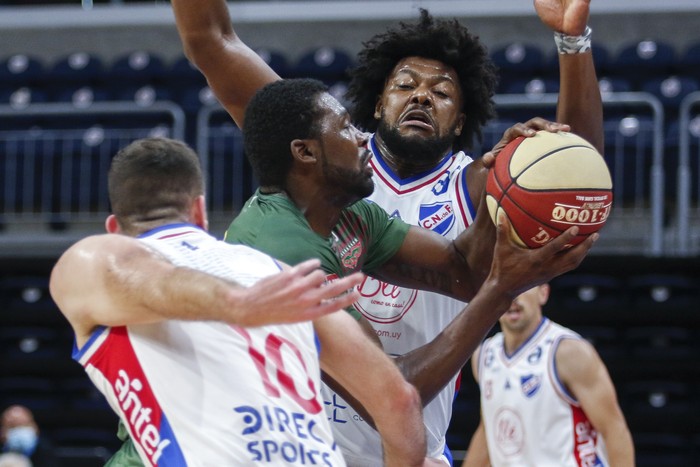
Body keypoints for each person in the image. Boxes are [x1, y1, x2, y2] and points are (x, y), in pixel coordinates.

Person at [169, 0, 603, 464]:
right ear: (378, 104)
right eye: (405, 85)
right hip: (297, 441)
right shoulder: (320, 151)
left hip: (404, 442)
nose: (421, 96)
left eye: (441, 92)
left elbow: (573, 180)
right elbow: (214, 44)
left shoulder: (471, 183)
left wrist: (572, 41)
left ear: (460, 121)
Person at [49, 137, 438, 467]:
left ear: (114, 229)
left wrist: (234, 304)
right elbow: (400, 401)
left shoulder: (94, 258)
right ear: (200, 212)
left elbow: (142, 278)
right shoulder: (280, 277)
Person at [461, 284, 635, 467]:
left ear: (543, 293)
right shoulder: (484, 354)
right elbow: (489, 429)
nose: (513, 298)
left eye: (522, 287)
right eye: (505, 287)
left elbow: (614, 430)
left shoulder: (568, 351)